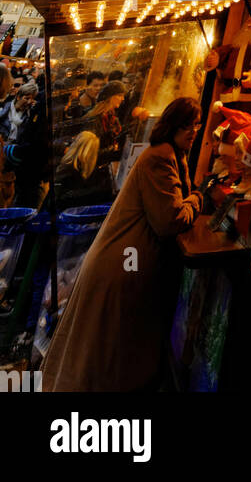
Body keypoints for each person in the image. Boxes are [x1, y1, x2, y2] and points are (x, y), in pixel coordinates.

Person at [41, 97, 203, 392]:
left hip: (125, 262)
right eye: (188, 124)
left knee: (102, 350)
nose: (194, 131)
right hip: (122, 266)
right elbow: (169, 221)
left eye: (197, 125)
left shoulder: (171, 154)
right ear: (173, 125)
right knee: (104, 353)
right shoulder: (161, 156)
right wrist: (199, 199)